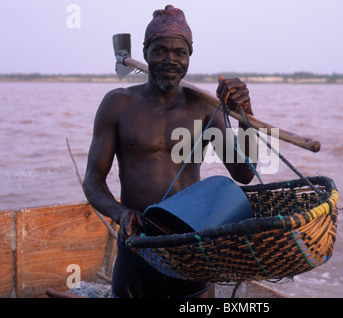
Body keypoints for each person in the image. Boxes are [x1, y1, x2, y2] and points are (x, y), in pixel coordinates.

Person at [82, 5, 257, 298]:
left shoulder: (203, 107)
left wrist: (246, 116)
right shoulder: (117, 104)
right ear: (146, 52)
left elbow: (244, 174)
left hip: (193, 245)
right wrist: (121, 213)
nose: (171, 60)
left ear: (189, 57)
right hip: (138, 243)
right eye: (160, 50)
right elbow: (92, 180)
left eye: (180, 53)